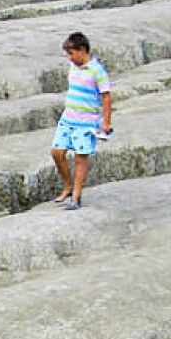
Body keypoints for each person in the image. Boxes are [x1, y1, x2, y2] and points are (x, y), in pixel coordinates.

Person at [50, 31, 113, 210]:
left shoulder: (97, 71)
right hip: (68, 118)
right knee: (57, 152)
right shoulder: (73, 67)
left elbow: (106, 97)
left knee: (80, 157)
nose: (70, 58)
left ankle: (76, 196)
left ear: (82, 50)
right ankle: (68, 185)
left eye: (72, 53)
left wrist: (106, 122)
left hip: (86, 122)